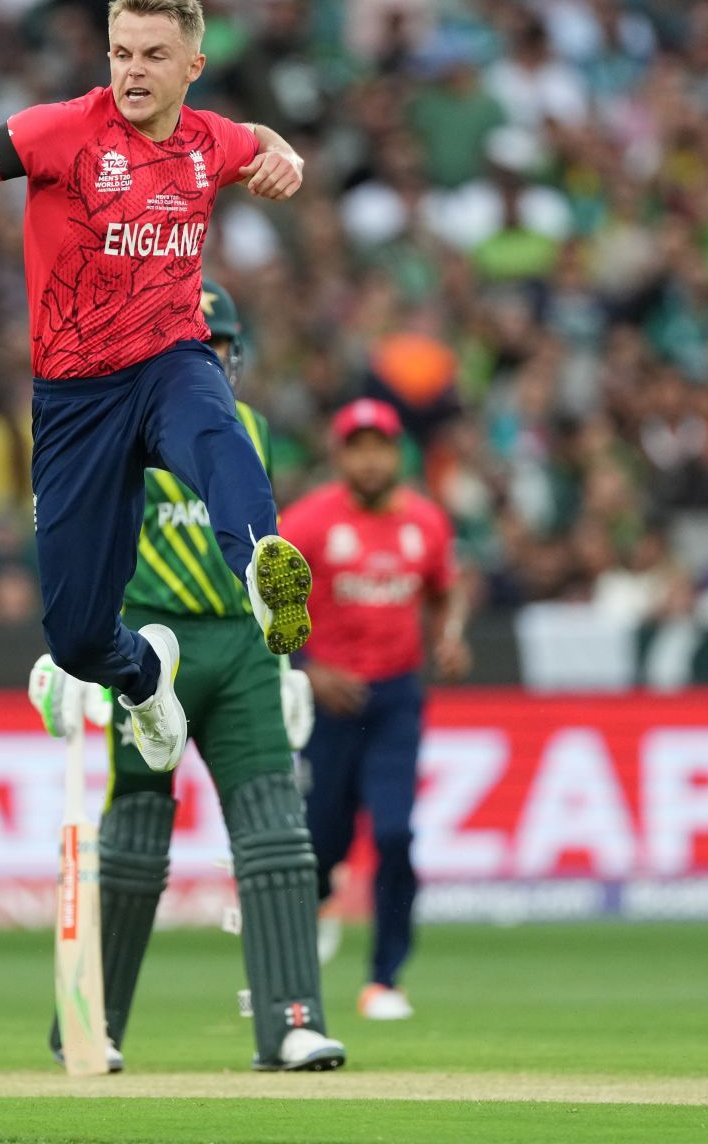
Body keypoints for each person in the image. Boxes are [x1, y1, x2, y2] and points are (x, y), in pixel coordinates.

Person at [0, 0, 314, 776]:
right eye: (121, 53)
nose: (133, 71)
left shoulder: (209, 141)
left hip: (170, 360)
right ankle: (145, 679)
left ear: (193, 66)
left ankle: (261, 567)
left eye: (153, 56)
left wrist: (287, 158)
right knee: (77, 638)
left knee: (219, 426)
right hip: (77, 400)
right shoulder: (63, 131)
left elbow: (260, 138)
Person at [33, 282, 344, 1073]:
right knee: (135, 841)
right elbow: (71, 538)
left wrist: (284, 666)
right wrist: (69, 656)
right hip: (149, 641)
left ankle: (291, 1023)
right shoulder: (111, 418)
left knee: (277, 834)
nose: (210, 361)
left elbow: (263, 563)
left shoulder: (253, 429)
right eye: (198, 346)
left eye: (219, 349)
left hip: (241, 651)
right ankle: (89, 1023)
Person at [279, 398, 470, 1021]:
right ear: (340, 456)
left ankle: (385, 978)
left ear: (396, 454)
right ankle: (318, 907)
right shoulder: (306, 523)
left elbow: (446, 590)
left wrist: (449, 635)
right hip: (327, 704)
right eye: (356, 448)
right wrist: (309, 667)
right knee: (323, 842)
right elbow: (267, 605)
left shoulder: (426, 523)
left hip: (394, 698)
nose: (368, 460)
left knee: (395, 833)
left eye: (379, 447)